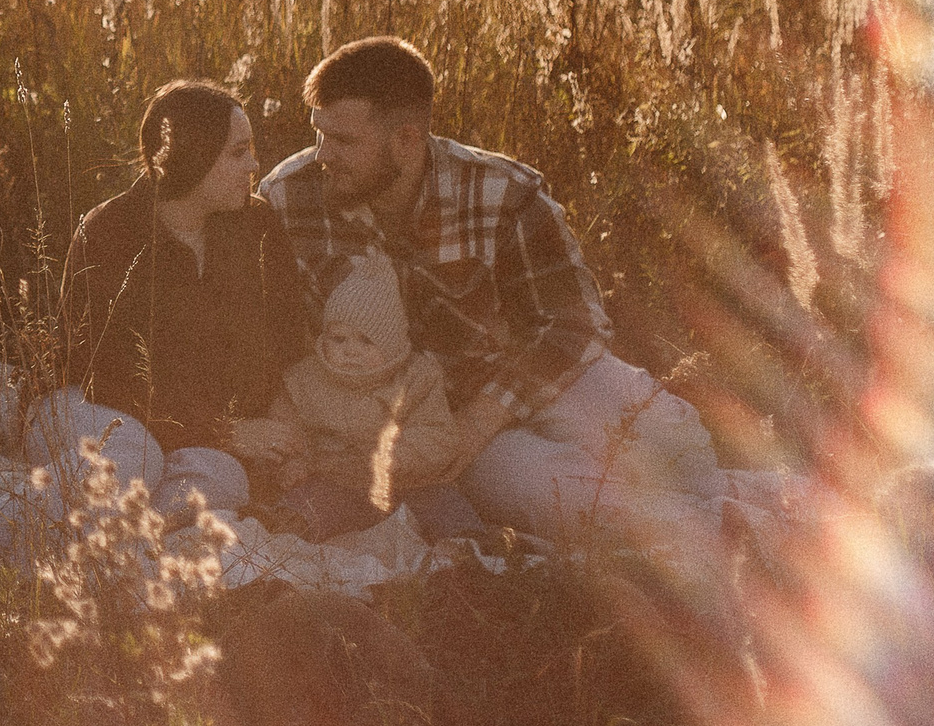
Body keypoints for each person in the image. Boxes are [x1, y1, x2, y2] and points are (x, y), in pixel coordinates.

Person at [258, 36, 745, 558]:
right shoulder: (289, 198)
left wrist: (488, 414)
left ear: (406, 140)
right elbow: (266, 330)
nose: (323, 156)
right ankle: (728, 537)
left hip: (524, 381)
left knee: (681, 449)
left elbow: (573, 322)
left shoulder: (501, 190)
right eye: (319, 136)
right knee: (549, 494)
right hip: (433, 423)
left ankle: (761, 507)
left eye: (344, 142)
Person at [54, 79, 312, 520]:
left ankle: (120, 547)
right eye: (237, 152)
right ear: (189, 157)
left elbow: (287, 342)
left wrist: (287, 435)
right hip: (101, 414)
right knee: (135, 466)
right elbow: (107, 376)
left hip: (195, 438)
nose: (254, 164)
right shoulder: (108, 233)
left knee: (224, 481)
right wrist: (224, 432)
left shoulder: (257, 226)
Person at [232, 246, 482, 541]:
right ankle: (282, 528)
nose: (351, 350)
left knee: (443, 502)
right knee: (308, 502)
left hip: (405, 482)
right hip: (334, 481)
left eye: (367, 341)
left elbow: (439, 435)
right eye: (339, 339)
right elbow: (287, 428)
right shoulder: (304, 379)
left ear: (391, 344)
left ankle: (471, 541)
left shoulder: (418, 378)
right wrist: (293, 462)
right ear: (323, 338)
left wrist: (396, 454)